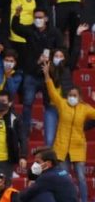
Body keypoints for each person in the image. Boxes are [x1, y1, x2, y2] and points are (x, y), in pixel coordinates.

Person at [44, 60, 95, 202]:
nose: (71, 97)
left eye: (74, 95)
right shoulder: (62, 104)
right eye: (70, 95)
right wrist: (47, 74)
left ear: (79, 97)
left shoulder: (85, 108)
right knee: (65, 178)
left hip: (78, 147)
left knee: (81, 177)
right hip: (61, 147)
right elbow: (52, 91)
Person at [11, 7, 64, 141]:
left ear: (46, 19)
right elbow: (16, 28)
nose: (38, 20)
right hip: (31, 73)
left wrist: (51, 58)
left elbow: (62, 49)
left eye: (40, 17)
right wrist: (17, 14)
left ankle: (50, 133)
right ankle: (25, 131)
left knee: (50, 104)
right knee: (27, 102)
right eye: (36, 18)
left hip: (48, 74)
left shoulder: (54, 32)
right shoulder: (30, 31)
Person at [47, 0, 85, 68]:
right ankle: (56, 58)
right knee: (59, 32)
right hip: (60, 4)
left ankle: (73, 60)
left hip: (75, 2)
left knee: (75, 33)